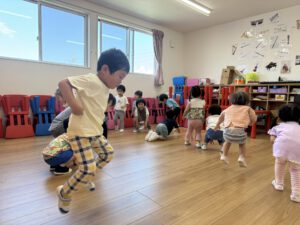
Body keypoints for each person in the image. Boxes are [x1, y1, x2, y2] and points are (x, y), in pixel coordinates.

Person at [56, 48, 130, 213]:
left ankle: (86, 176)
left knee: (108, 154)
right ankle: (64, 192)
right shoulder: (91, 80)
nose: (120, 81)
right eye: (120, 76)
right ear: (105, 69)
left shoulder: (105, 87)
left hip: (94, 132)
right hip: (80, 133)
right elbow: (63, 83)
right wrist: (74, 105)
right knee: (87, 168)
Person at [268, 104, 300, 203]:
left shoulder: (278, 127)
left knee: (279, 164)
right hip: (297, 150)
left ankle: (279, 184)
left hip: (281, 149)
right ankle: (296, 193)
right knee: (295, 170)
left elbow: (272, 140)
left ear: (280, 117)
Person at [215, 92, 257, 167]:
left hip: (227, 130)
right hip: (240, 130)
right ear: (246, 101)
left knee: (227, 141)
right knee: (242, 143)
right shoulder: (248, 109)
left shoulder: (228, 108)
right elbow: (254, 118)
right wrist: (251, 123)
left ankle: (224, 155)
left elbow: (221, 117)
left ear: (232, 100)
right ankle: (241, 157)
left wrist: (217, 125)